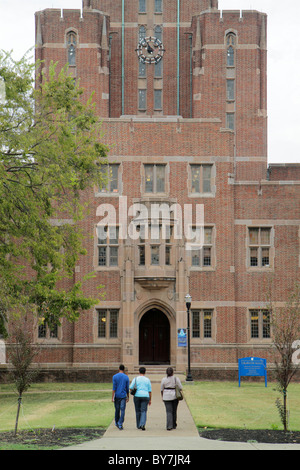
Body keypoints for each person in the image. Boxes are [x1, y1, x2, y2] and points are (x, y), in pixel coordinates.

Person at [112, 364, 130, 430]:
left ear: (119, 369)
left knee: (117, 409)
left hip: (117, 395)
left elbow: (114, 388)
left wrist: (112, 397)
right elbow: (127, 388)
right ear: (124, 369)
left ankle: (117, 422)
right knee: (122, 410)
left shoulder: (114, 376)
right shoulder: (126, 377)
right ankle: (120, 423)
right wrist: (128, 396)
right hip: (123, 395)